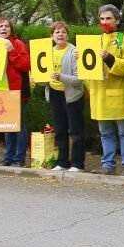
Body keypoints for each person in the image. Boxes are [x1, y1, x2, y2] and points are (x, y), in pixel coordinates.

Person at [86, 4, 124, 175]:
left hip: (119, 94)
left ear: (117, 20)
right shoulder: (94, 41)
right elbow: (87, 71)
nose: (105, 22)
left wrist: (109, 58)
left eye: (108, 18)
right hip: (100, 94)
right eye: (102, 19)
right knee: (105, 133)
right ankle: (107, 164)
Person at [0, 17, 31, 166]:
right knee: (7, 127)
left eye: (7, 26)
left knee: (19, 127)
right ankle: (8, 158)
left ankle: (19, 159)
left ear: (11, 30)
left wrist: (12, 52)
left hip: (16, 92)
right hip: (0, 91)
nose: (4, 29)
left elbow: (25, 65)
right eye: (0, 26)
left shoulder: (17, 44)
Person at [45, 21, 86, 171]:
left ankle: (77, 163)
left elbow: (79, 79)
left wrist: (60, 77)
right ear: (52, 36)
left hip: (72, 96)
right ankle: (62, 162)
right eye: (57, 32)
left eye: (63, 32)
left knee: (75, 131)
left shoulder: (75, 52)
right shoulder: (47, 52)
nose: (60, 34)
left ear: (67, 35)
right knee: (60, 130)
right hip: (55, 94)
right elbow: (44, 78)